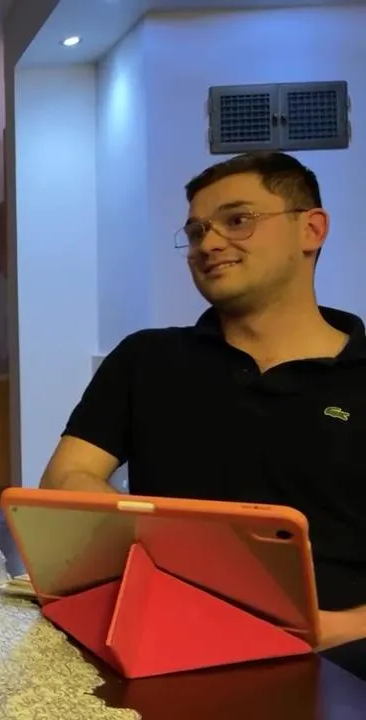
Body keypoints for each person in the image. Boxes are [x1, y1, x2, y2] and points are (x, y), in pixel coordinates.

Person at [40, 152, 366, 678]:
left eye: (238, 220)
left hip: (335, 660)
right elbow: (66, 477)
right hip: (160, 645)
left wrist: (321, 630)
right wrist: (151, 547)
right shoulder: (146, 359)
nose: (208, 244)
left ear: (311, 229)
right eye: (196, 232)